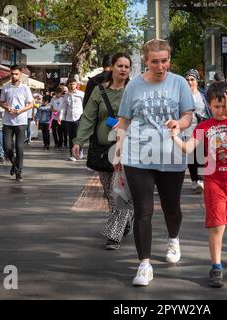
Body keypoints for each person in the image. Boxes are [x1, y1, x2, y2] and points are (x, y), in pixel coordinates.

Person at [114, 39, 195, 287]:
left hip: (171, 155)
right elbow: (124, 121)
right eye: (155, 62)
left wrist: (178, 124)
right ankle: (144, 265)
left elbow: (188, 115)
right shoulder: (134, 86)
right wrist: (118, 153)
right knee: (143, 210)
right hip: (138, 155)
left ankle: (173, 237)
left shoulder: (179, 82)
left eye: (165, 61)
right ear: (146, 62)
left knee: (172, 208)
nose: (161, 67)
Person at [172, 81, 227, 288]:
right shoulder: (204, 126)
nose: (222, 111)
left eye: (225, 105)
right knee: (217, 224)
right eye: (217, 106)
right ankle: (216, 266)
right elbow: (187, 148)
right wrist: (174, 137)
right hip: (214, 181)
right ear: (209, 105)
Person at [72, 53, 134, 250]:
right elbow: (89, 117)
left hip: (126, 149)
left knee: (119, 192)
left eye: (127, 66)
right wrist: (78, 141)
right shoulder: (99, 91)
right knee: (109, 193)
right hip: (102, 149)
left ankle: (114, 234)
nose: (123, 69)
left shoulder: (133, 91)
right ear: (111, 68)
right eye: (120, 65)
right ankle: (127, 218)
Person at [0, 65, 34, 182]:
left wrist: (20, 110)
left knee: (19, 147)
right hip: (8, 121)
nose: (14, 76)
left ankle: (19, 172)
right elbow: (1, 102)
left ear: (20, 75)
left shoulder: (25, 88)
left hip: (21, 121)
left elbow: (31, 104)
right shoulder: (6, 87)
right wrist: (6, 107)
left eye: (16, 74)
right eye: (12, 74)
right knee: (7, 147)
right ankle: (14, 164)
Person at [183, 69, 211, 193]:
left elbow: (209, 109)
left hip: (201, 127)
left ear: (197, 81)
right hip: (187, 127)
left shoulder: (203, 95)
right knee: (190, 155)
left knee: (200, 153)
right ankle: (194, 179)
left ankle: (200, 179)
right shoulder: (182, 95)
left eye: (192, 79)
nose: (190, 82)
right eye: (187, 80)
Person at [59, 79, 84, 161]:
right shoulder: (66, 96)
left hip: (78, 118)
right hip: (69, 119)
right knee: (71, 137)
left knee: (77, 136)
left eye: (73, 84)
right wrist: (61, 117)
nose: (72, 86)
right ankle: (72, 154)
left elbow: (85, 105)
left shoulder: (81, 94)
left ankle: (79, 151)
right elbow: (64, 107)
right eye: (70, 84)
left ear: (76, 84)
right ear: (68, 85)